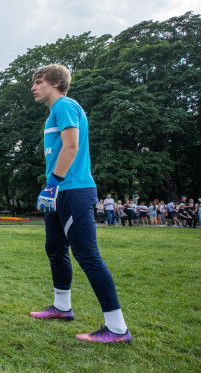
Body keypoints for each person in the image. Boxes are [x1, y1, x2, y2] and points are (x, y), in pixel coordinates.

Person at [29, 63, 131, 343]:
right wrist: (52, 188)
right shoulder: (54, 113)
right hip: (59, 191)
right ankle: (62, 307)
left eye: (39, 82)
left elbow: (72, 146)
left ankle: (117, 329)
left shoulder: (64, 105)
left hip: (72, 189)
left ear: (56, 83)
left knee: (86, 254)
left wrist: (53, 184)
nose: (33, 88)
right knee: (55, 248)